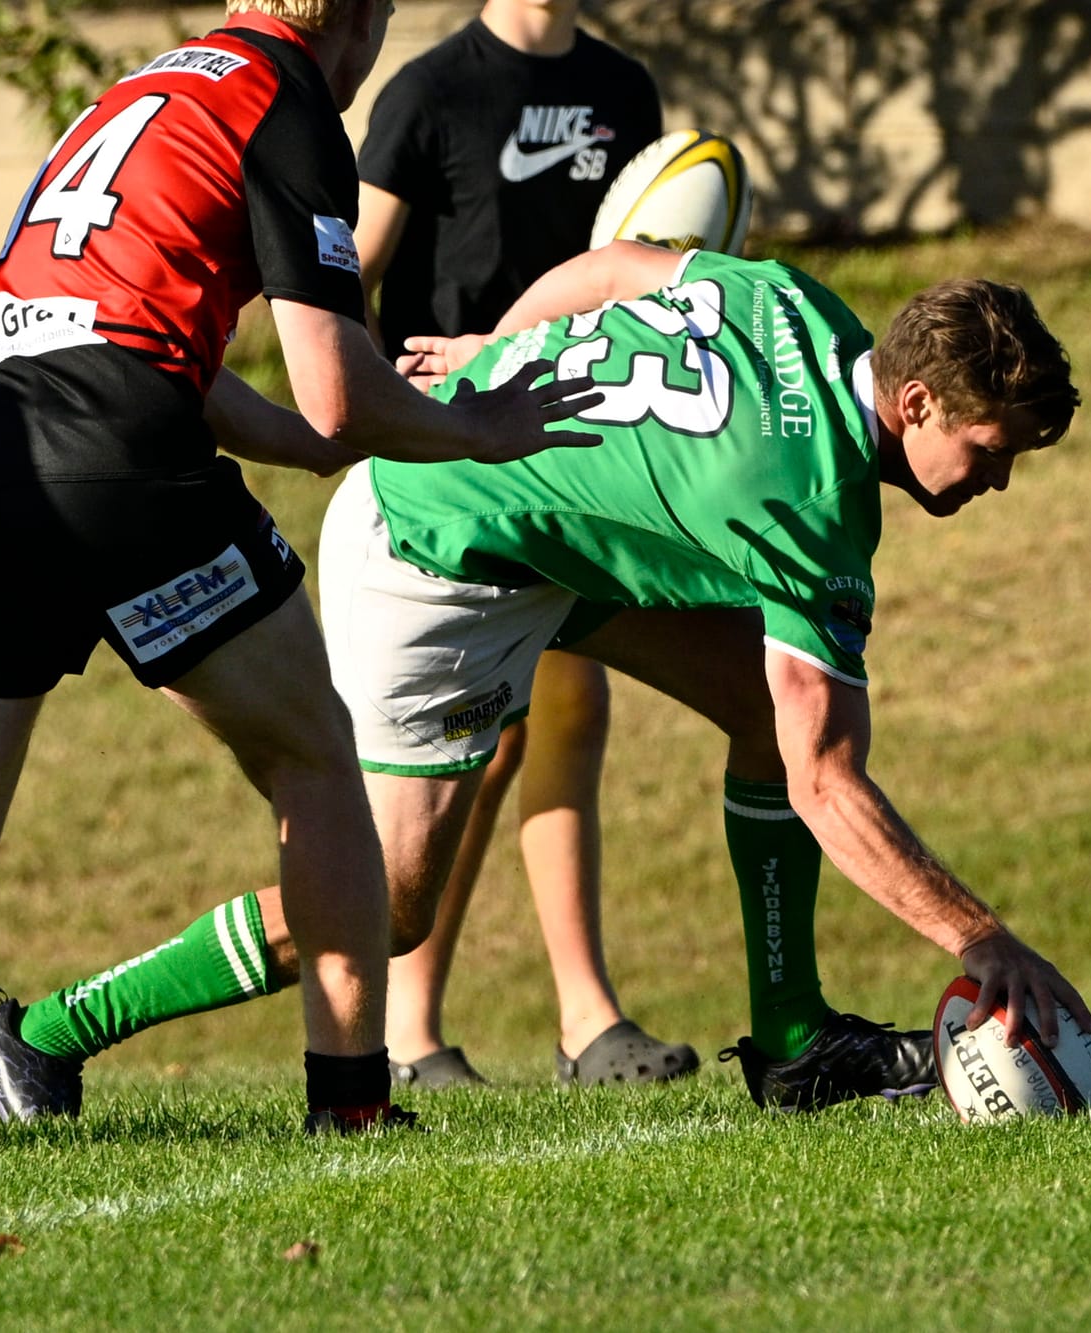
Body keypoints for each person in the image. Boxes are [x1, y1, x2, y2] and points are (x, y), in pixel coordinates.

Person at [0, 0, 604, 1136]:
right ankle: (354, 1104)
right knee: (315, 761)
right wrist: (480, 426)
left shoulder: (143, 92)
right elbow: (335, 386)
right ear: (354, 15)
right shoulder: (287, 98)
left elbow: (151, 344)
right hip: (120, 460)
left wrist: (304, 447)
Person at [0, 238, 1091, 1117]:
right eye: (992, 449)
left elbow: (605, 267)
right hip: (430, 554)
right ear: (916, 404)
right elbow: (824, 782)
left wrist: (494, 362)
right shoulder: (809, 509)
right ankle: (43, 1034)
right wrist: (978, 939)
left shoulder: (795, 303)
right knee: (388, 908)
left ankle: (795, 1046)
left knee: (756, 706)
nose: (995, 480)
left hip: (536, 539)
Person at [350, 0, 691, 1089]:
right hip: (454, 452)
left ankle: (587, 1019)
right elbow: (345, 268)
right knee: (484, 742)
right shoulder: (427, 93)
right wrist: (372, 404)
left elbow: (643, 256)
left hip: (571, 443)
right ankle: (407, 1030)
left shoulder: (621, 91)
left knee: (572, 712)